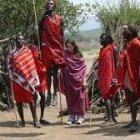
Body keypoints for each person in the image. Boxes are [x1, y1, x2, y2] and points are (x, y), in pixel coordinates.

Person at [9, 35, 41, 128]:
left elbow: (31, 66)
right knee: (18, 102)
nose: (20, 40)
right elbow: (10, 65)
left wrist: (33, 80)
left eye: (22, 39)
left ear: (24, 41)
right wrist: (11, 74)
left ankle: (36, 121)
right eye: (18, 39)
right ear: (15, 41)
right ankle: (22, 121)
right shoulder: (12, 53)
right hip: (17, 80)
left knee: (31, 101)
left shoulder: (28, 51)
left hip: (28, 80)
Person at [39, 0, 64, 106]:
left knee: (56, 73)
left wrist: (62, 50)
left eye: (51, 4)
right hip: (46, 48)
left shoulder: (60, 19)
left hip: (57, 48)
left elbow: (62, 35)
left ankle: (55, 95)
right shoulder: (43, 19)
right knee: (48, 72)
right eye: (48, 4)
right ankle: (49, 93)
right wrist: (40, 49)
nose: (49, 5)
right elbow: (40, 35)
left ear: (54, 6)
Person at [61, 39, 89, 125]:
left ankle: (81, 116)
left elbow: (83, 67)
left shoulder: (79, 55)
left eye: (70, 46)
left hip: (79, 80)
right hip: (69, 80)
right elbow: (62, 64)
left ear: (74, 46)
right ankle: (72, 116)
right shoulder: (65, 54)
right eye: (67, 46)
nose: (68, 48)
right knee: (70, 98)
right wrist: (60, 70)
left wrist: (84, 80)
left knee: (80, 98)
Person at [118, 25, 140, 132]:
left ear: (131, 32)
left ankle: (135, 123)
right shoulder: (128, 43)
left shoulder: (136, 43)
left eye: (125, 31)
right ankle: (132, 121)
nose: (123, 32)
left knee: (135, 98)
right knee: (131, 97)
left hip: (135, 74)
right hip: (128, 73)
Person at [28, 33, 50, 125]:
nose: (35, 40)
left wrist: (42, 55)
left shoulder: (43, 47)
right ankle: (35, 118)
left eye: (37, 37)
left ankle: (42, 117)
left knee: (43, 95)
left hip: (42, 74)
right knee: (33, 96)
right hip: (33, 74)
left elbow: (47, 59)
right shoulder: (29, 48)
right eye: (33, 38)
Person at [98, 33, 118, 126]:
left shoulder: (113, 48)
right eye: (100, 39)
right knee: (107, 97)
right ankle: (112, 119)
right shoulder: (102, 49)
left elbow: (117, 63)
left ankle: (110, 119)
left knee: (108, 97)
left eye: (102, 38)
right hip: (103, 76)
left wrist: (115, 77)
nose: (100, 40)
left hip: (110, 76)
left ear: (108, 39)